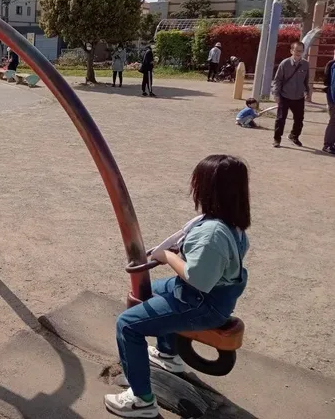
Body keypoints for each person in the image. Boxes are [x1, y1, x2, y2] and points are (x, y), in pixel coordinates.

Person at [105, 154, 250, 418]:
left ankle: (142, 400)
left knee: (127, 325)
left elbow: (198, 279)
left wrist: (167, 256)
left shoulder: (212, 234)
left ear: (208, 188)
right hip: (205, 293)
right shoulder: (231, 224)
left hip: (200, 302)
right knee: (149, 291)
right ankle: (168, 353)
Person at [272, 41, 310, 148]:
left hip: (299, 97)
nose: (298, 53)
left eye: (301, 51)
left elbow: (306, 80)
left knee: (299, 119)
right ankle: (277, 138)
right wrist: (276, 94)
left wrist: (307, 91)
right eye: (296, 50)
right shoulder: (285, 63)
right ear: (291, 51)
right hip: (285, 96)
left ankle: (294, 136)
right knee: (280, 119)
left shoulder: (305, 64)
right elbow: (278, 80)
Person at [323, 52, 335, 154]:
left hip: (331, 97)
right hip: (333, 98)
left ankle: (331, 143)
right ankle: (328, 144)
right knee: (333, 121)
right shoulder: (334, 66)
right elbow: (333, 85)